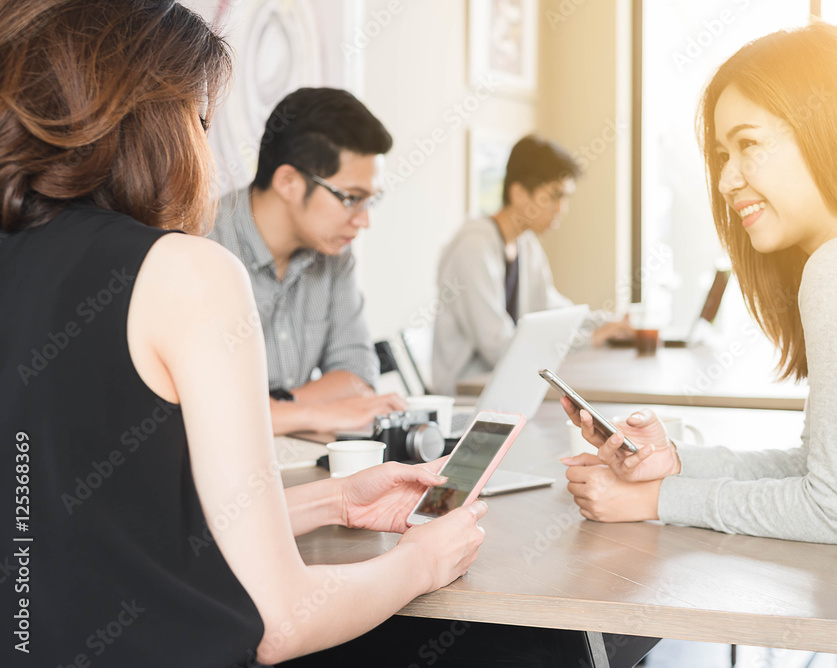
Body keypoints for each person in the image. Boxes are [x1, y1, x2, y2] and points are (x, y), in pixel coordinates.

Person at [0, 2, 486, 665]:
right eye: (201, 120)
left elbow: (93, 532)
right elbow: (281, 621)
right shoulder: (184, 271)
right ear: (156, 123)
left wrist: (336, 496)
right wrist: (424, 561)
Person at [560, 23, 837, 667]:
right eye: (721, 155)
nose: (727, 178)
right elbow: (828, 471)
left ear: (827, 133)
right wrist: (677, 466)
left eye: (749, 146)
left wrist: (652, 502)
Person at [208, 87, 406, 435]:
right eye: (351, 198)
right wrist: (314, 413)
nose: (364, 220)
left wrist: (280, 410)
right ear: (288, 182)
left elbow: (358, 376)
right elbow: (205, 409)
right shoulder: (202, 246)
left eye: (369, 201)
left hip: (295, 455)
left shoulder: (334, 254)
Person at [431, 134, 633, 395]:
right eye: (555, 196)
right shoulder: (474, 246)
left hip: (508, 389)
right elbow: (499, 347)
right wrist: (588, 341)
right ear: (518, 194)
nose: (562, 209)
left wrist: (608, 323)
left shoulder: (526, 245)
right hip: (466, 400)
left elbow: (554, 311)